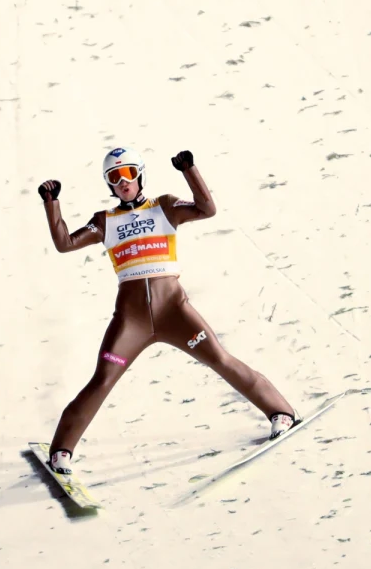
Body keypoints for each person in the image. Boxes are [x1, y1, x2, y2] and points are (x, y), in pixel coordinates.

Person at [37, 147, 299, 476]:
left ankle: (280, 412)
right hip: (131, 323)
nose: (123, 182)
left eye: (129, 174)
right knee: (103, 379)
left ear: (140, 175)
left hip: (174, 312)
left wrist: (189, 170)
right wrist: (52, 203)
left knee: (219, 358)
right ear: (109, 185)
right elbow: (65, 243)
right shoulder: (105, 221)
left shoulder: (164, 206)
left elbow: (207, 209)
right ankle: (61, 451)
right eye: (114, 178)